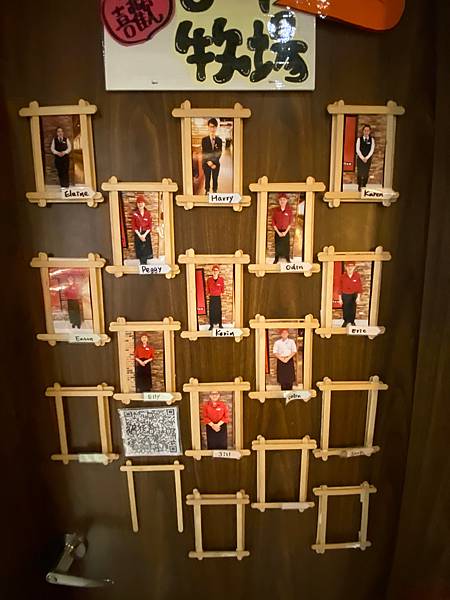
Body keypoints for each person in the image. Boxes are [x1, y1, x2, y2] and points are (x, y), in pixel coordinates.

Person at [337, 261, 363, 326]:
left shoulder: (357, 276)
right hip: (345, 295)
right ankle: (346, 321)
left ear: (354, 267)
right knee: (345, 309)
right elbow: (340, 288)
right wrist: (340, 299)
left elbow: (359, 287)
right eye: (348, 266)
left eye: (351, 266)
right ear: (346, 267)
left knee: (353, 309)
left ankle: (352, 322)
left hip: (353, 295)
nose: (350, 268)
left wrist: (358, 297)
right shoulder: (342, 277)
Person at [201, 118, 223, 194]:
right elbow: (204, 152)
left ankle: (215, 191)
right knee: (207, 178)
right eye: (210, 126)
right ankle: (207, 190)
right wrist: (208, 162)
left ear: (216, 128)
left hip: (216, 163)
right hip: (206, 163)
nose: (212, 129)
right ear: (208, 127)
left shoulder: (219, 140)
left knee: (215, 178)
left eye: (214, 127)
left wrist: (213, 163)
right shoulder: (204, 140)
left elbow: (219, 153)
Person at [271, 193, 294, 263]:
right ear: (279, 201)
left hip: (286, 231)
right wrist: (278, 232)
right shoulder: (275, 210)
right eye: (281, 200)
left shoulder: (289, 210)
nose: (282, 201)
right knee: (277, 245)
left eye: (284, 200)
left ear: (286, 201)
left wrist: (285, 232)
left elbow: (290, 222)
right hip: (277, 231)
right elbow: (273, 222)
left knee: (286, 245)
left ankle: (287, 258)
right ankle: (276, 258)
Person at [132, 195, 153, 265]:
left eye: (141, 202)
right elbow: (134, 226)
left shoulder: (148, 213)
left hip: (146, 234)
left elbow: (150, 226)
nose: (140, 204)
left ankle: (145, 265)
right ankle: (142, 265)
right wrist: (140, 235)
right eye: (138, 203)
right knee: (140, 251)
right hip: (138, 234)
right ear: (137, 204)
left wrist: (144, 235)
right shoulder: (135, 214)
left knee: (146, 252)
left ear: (144, 204)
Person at [356, 124, 375, 190]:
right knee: (360, 172)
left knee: (366, 172)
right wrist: (362, 158)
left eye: (368, 130)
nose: (366, 132)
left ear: (369, 131)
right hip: (360, 159)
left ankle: (364, 185)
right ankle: (359, 185)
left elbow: (372, 150)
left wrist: (366, 158)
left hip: (368, 159)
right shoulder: (359, 139)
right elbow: (357, 149)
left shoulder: (372, 140)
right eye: (365, 130)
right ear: (363, 131)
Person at [206, 265, 224, 330]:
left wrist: (222, 292)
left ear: (218, 271)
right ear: (212, 271)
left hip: (218, 297)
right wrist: (208, 293)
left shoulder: (221, 279)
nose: (215, 272)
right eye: (214, 270)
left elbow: (222, 287)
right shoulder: (209, 280)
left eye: (216, 270)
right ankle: (211, 325)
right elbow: (207, 287)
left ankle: (220, 324)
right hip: (212, 297)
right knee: (211, 311)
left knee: (219, 311)